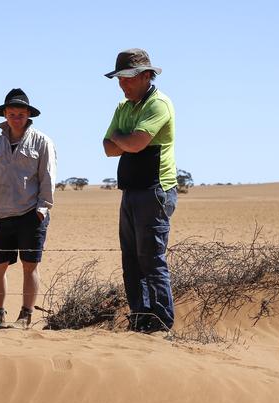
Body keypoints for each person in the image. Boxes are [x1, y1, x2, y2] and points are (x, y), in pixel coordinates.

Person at [102, 49, 178, 333]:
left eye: (129, 78)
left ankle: (160, 324)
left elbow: (134, 144)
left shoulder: (158, 105)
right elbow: (108, 148)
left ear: (147, 76)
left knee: (151, 259)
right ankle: (140, 318)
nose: (123, 84)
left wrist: (122, 139)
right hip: (131, 191)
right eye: (120, 78)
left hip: (155, 190)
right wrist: (125, 140)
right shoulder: (124, 107)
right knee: (131, 260)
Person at [0, 88, 57, 326]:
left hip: (31, 214)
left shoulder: (42, 141)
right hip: (3, 215)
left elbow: (48, 177)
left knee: (29, 266)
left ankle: (26, 314)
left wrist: (43, 208)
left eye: (20, 114)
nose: (16, 118)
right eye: (11, 113)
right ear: (4, 114)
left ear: (28, 115)